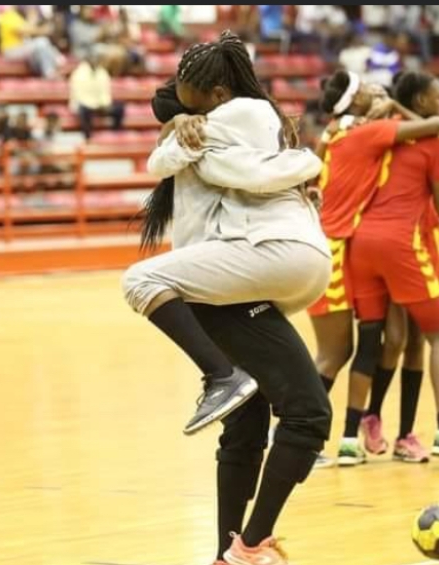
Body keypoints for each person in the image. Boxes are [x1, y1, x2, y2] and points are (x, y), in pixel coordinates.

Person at [135, 31, 333, 565]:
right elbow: (170, 104)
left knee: (246, 423)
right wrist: (306, 162)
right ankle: (250, 545)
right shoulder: (243, 117)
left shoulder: (215, 124)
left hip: (224, 274)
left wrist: (174, 118)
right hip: (223, 274)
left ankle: (229, 552)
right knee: (308, 413)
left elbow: (163, 100)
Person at [307, 70, 439, 467]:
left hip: (352, 249)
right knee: (336, 352)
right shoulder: (363, 133)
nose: (376, 89)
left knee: (371, 343)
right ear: (353, 101)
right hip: (333, 250)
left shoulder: (338, 132)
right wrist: (394, 108)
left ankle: (352, 434)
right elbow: (436, 126)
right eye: (366, 88)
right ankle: (296, 435)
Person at [347, 70, 439, 464]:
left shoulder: (379, 132)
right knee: (436, 337)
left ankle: (365, 427)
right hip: (404, 243)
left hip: (363, 243)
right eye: (436, 97)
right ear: (421, 102)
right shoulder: (429, 141)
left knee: (396, 339)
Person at [0, 5, 63, 79]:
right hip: (11, 51)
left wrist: (33, 19)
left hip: (20, 49)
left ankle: (52, 66)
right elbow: (24, 31)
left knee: (40, 48)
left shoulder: (17, 16)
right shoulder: (9, 16)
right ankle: (53, 65)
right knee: (41, 42)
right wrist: (43, 30)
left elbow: (28, 29)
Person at [69, 57, 125, 141]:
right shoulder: (78, 74)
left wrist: (104, 104)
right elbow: (79, 96)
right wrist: (93, 105)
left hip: (100, 105)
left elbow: (105, 92)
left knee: (119, 107)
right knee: (83, 110)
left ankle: (115, 133)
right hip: (86, 105)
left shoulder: (102, 72)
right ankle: (87, 137)